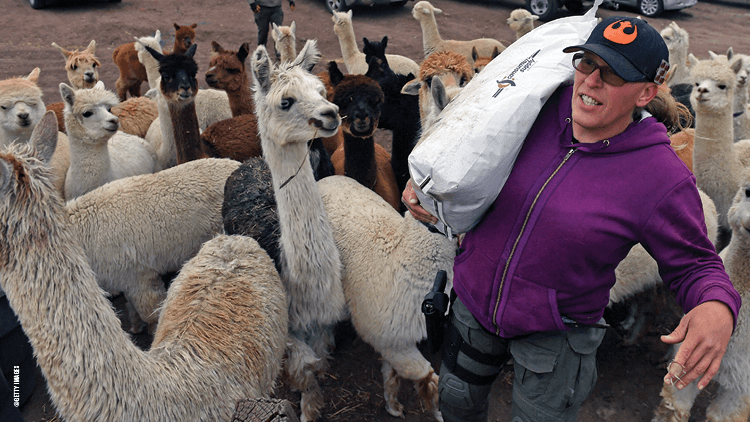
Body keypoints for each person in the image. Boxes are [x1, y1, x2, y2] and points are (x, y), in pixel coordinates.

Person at [402, 16, 741, 422]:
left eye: (613, 74)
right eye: (586, 63)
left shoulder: (660, 176)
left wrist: (717, 306)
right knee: (456, 407)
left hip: (556, 334)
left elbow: (697, 264)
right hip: (472, 305)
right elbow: (461, 147)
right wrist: (425, 186)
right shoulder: (530, 108)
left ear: (646, 92)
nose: (591, 81)